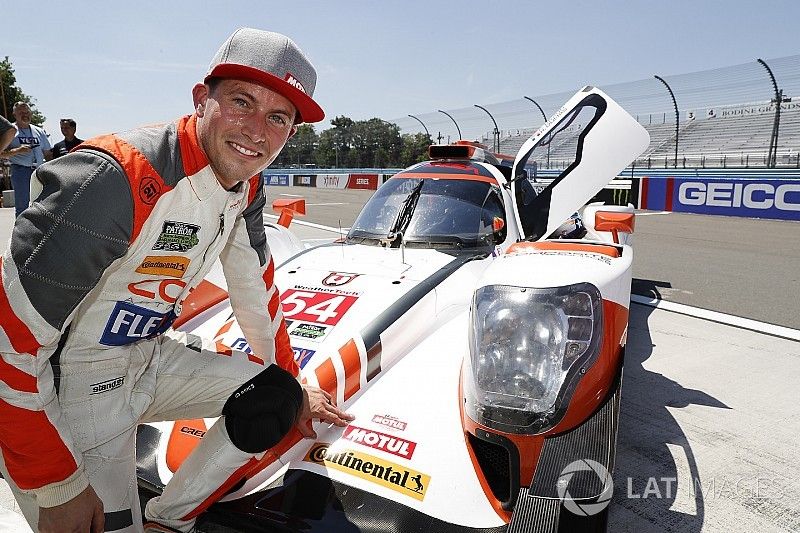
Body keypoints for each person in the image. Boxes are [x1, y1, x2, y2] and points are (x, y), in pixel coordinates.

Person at [0, 28, 353, 533]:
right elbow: (8, 343)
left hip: (145, 357)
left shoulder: (245, 185)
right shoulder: (114, 177)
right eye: (242, 102)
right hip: (62, 387)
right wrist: (53, 485)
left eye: (278, 117)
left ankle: (169, 520)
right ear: (200, 100)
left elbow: (258, 293)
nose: (257, 131)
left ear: (291, 133)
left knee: (277, 395)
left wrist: (297, 388)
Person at [0, 101, 52, 216]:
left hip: (39, 170)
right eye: (21, 112)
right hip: (20, 170)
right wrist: (18, 150)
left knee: (41, 204)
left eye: (27, 112)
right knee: (22, 206)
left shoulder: (39, 131)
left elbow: (48, 153)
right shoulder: (10, 131)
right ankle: (21, 233)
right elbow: (1, 153)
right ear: (14, 115)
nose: (25, 115)